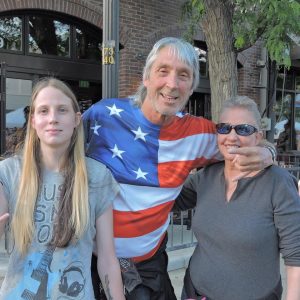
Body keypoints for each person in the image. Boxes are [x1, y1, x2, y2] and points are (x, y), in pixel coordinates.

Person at [83, 37, 275, 300]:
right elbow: (51, 153)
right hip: (91, 262)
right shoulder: (103, 116)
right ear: (147, 77)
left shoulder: (199, 133)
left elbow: (245, 141)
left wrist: (268, 152)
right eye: (163, 71)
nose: (172, 84)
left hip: (150, 265)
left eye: (183, 75)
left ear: (191, 87)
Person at [0, 78, 125, 300]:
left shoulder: (98, 176)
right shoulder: (9, 172)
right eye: (44, 111)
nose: (53, 119)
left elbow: (106, 258)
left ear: (77, 119)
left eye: (62, 110)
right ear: (33, 121)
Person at [175, 96, 300, 300]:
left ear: (258, 137)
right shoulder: (206, 176)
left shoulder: (278, 183)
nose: (231, 137)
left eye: (243, 129)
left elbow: (296, 256)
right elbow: (166, 200)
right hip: (195, 292)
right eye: (224, 128)